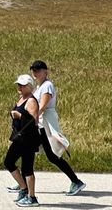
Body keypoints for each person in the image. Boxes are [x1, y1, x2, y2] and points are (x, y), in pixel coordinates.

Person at [29, 60, 86, 195]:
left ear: (45, 71)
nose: (35, 73)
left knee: (52, 156)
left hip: (45, 124)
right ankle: (24, 181)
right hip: (41, 124)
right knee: (29, 150)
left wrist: (33, 119)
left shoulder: (47, 85)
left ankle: (76, 181)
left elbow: (42, 105)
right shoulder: (39, 87)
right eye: (33, 70)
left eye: (38, 70)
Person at [4, 74, 41, 207]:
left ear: (29, 86)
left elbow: (33, 121)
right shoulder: (22, 98)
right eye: (18, 84)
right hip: (21, 137)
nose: (19, 87)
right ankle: (25, 191)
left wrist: (20, 115)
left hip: (27, 139)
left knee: (21, 166)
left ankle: (30, 195)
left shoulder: (31, 101)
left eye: (22, 85)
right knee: (16, 164)